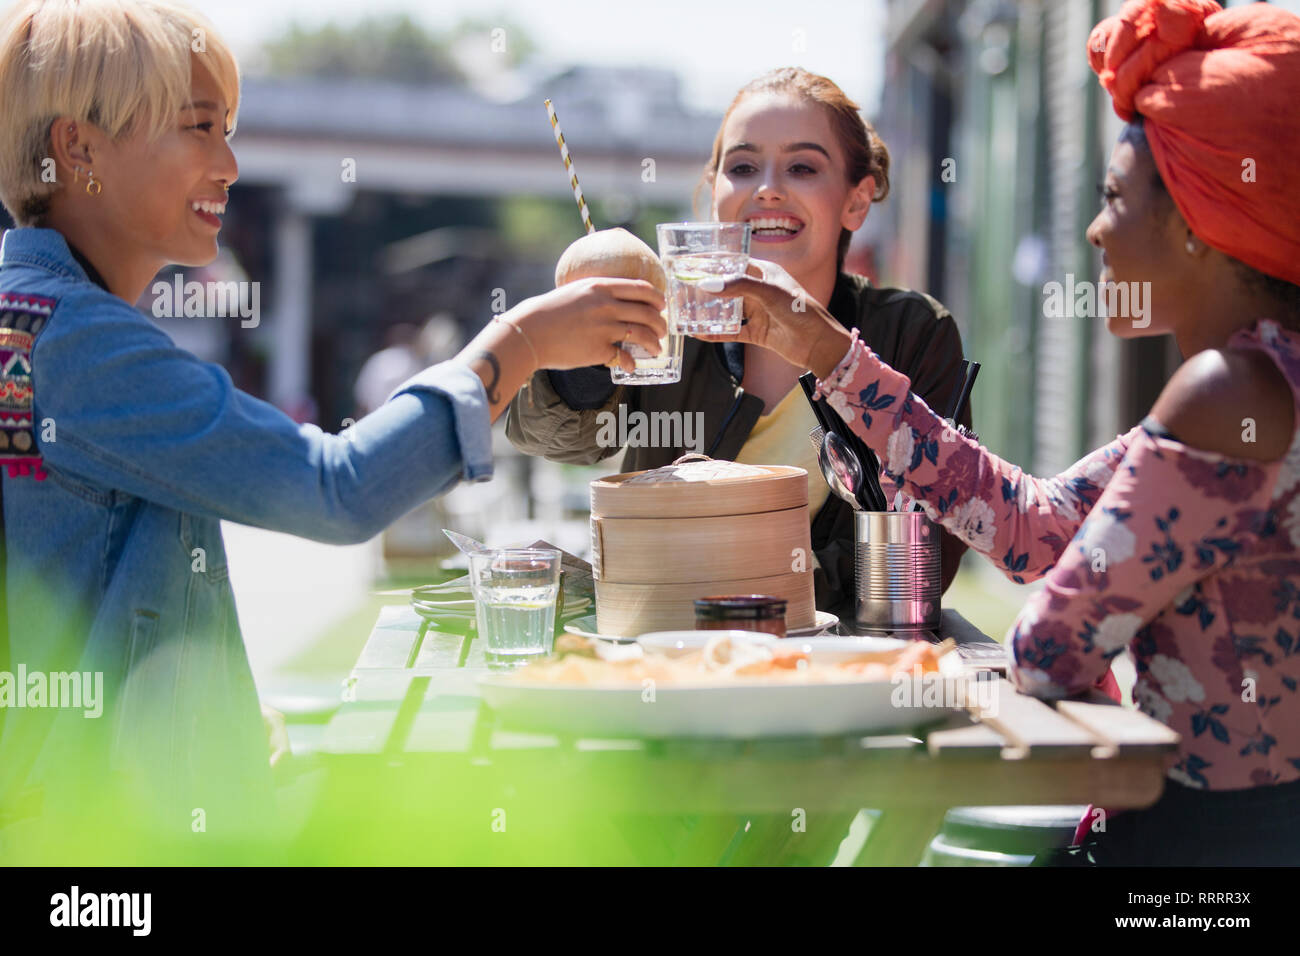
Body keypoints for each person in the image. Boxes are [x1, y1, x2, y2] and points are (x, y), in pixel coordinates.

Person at [0, 0, 665, 847]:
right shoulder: (81, 345)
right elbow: (335, 489)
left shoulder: (36, 323)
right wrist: (518, 345)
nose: (231, 163)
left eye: (228, 130)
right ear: (79, 149)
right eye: (199, 129)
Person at [698, 0, 1300, 865]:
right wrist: (834, 356)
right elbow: (1035, 525)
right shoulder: (1262, 379)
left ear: (1203, 226)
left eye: (1116, 196)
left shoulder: (1221, 393)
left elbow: (1051, 644)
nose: (1096, 228)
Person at [507, 68, 972, 610]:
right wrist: (581, 363)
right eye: (743, 167)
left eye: (802, 167)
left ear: (856, 201)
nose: (768, 188)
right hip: (664, 655)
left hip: (837, 664)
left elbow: (930, 549)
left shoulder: (911, 332)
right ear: (714, 194)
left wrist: (728, 595)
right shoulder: (670, 319)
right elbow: (553, 440)